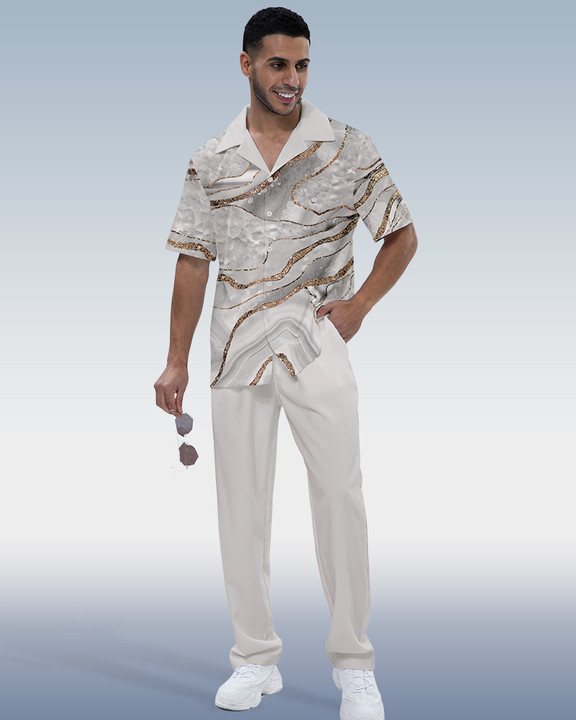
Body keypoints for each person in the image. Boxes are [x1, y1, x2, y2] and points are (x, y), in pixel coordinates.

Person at [154, 7, 418, 719]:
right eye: (278, 64)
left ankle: (354, 666)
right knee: (240, 507)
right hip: (234, 350)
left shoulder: (347, 147)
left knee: (340, 498)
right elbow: (192, 261)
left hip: (315, 343)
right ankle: (254, 658)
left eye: (301, 65)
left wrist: (359, 306)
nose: (291, 78)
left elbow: (401, 234)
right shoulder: (211, 158)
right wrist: (175, 361)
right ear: (246, 64)